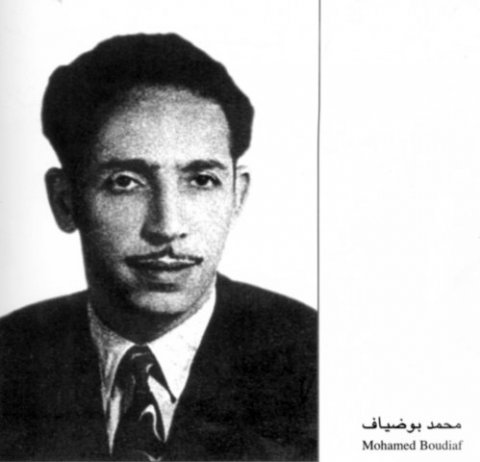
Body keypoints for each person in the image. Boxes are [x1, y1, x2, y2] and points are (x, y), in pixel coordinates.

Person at [0, 33, 317, 461]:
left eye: (201, 180)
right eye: (125, 182)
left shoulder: (314, 359)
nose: (167, 227)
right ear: (65, 200)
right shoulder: (12, 356)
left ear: (237, 195)